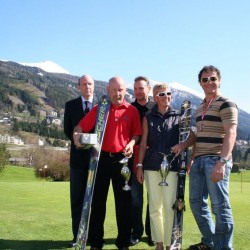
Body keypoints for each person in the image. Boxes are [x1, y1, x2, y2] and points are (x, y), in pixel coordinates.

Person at [172, 65, 238, 250]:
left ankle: (223, 247)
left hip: (216, 159)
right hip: (199, 160)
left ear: (219, 80)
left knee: (220, 207)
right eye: (205, 79)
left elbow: (231, 133)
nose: (209, 82)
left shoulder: (227, 103)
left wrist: (222, 162)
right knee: (195, 204)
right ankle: (210, 242)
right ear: (200, 83)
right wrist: (187, 148)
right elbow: (198, 136)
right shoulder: (200, 107)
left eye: (213, 79)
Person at [73, 76, 142, 250]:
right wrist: (77, 137)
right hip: (100, 160)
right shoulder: (100, 109)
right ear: (107, 91)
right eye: (113, 90)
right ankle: (96, 243)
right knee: (97, 204)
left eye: (120, 90)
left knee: (124, 204)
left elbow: (137, 134)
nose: (117, 93)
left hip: (122, 161)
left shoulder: (132, 111)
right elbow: (80, 127)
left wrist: (132, 144)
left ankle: (123, 243)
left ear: (125, 90)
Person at [136, 83, 181, 250]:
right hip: (151, 166)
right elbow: (143, 144)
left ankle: (171, 244)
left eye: (168, 93)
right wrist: (139, 166)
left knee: (170, 206)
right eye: (162, 94)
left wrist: (183, 148)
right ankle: (159, 244)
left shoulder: (179, 115)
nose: (166, 96)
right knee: (155, 207)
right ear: (155, 98)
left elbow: (190, 137)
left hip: (172, 166)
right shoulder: (148, 116)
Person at [63, 75, 97, 248]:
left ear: (94, 86)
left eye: (90, 84)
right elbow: (67, 130)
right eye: (84, 84)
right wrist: (80, 142)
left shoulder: (102, 107)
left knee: (95, 201)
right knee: (77, 199)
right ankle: (77, 236)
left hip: (97, 160)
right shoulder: (70, 105)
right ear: (78, 87)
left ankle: (93, 237)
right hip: (77, 160)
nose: (87, 87)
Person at [129, 76, 155, 247]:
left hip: (154, 159)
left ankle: (152, 232)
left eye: (142, 88)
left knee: (153, 198)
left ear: (149, 89)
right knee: (136, 198)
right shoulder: (129, 108)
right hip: (134, 160)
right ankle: (136, 232)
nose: (138, 91)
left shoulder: (156, 105)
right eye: (136, 88)